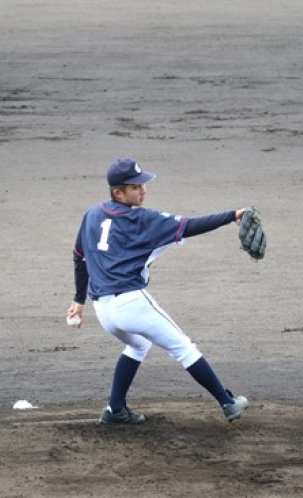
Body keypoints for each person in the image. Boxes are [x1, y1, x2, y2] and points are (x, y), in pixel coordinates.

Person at [66, 157, 249, 424]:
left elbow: (79, 256)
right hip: (131, 303)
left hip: (103, 310)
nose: (143, 190)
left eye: (143, 185)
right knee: (183, 348)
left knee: (138, 345)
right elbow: (190, 225)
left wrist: (78, 300)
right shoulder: (142, 218)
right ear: (118, 193)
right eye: (135, 187)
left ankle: (115, 409)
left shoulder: (92, 214)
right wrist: (232, 215)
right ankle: (228, 403)